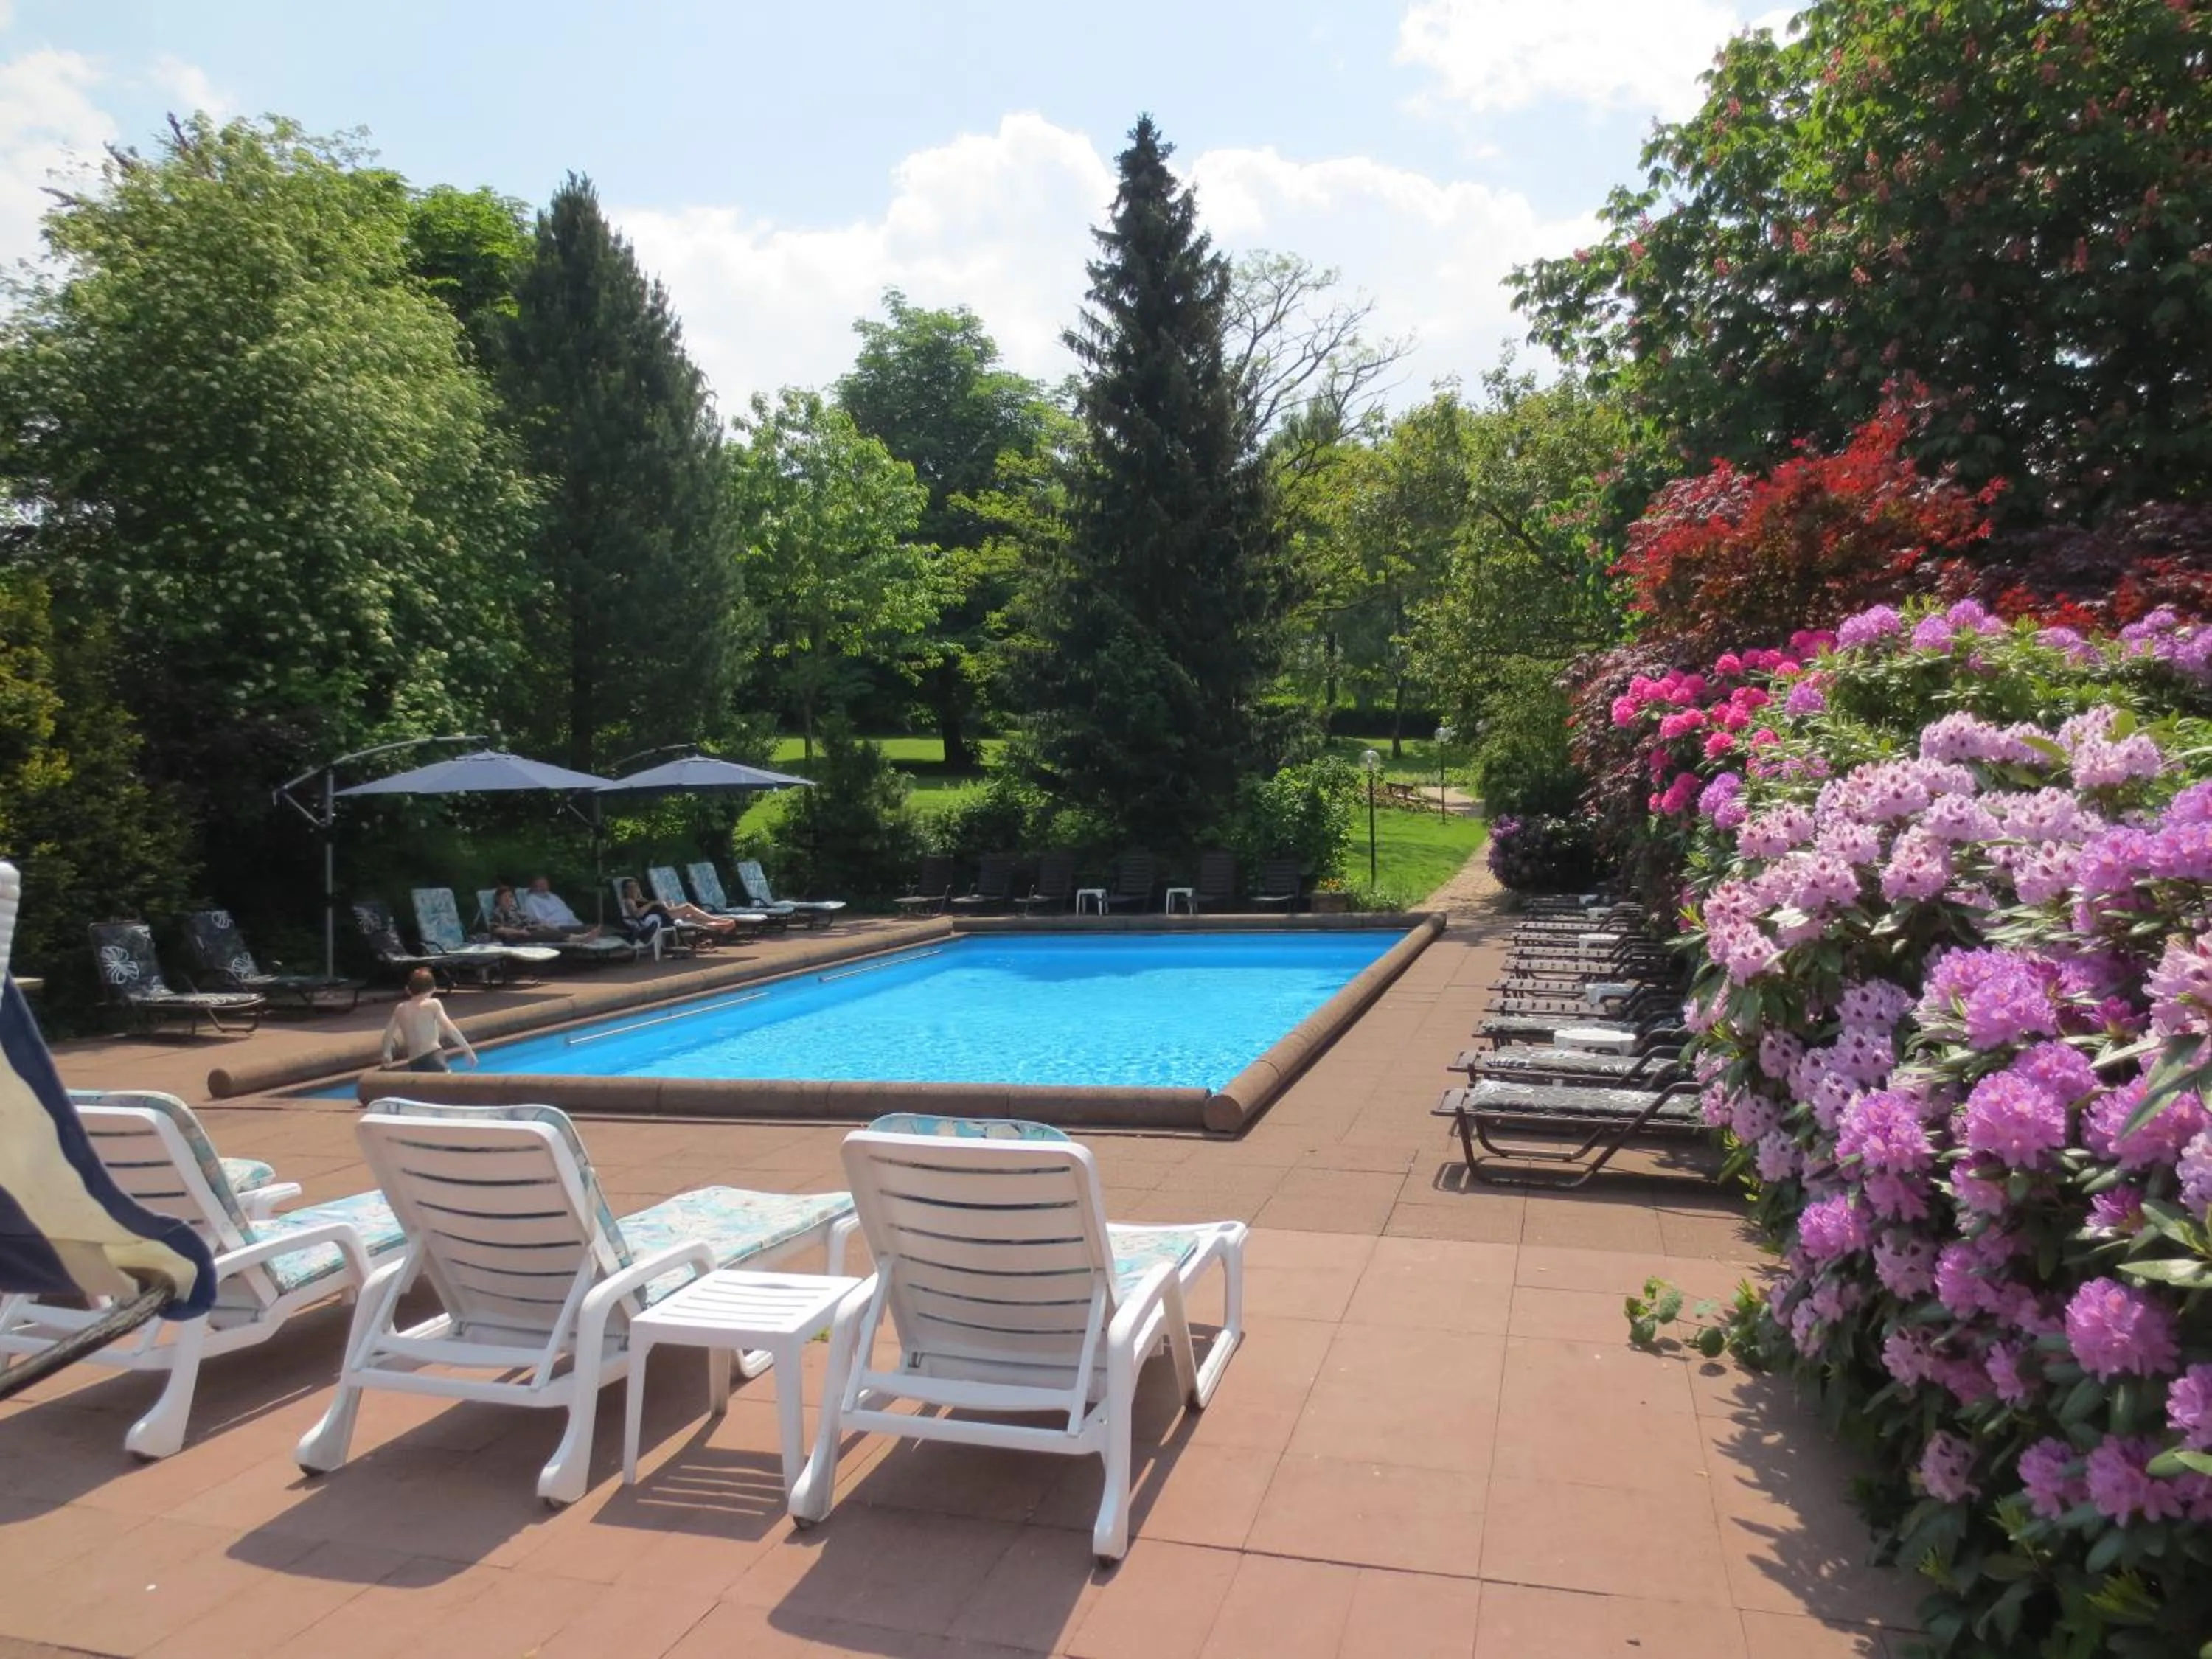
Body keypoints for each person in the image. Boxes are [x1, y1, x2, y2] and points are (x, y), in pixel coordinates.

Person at [378, 968, 477, 1074]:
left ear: (409, 990)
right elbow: (449, 1028)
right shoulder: (433, 1004)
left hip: (414, 1061)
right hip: (433, 1055)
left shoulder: (400, 1008)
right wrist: (468, 1050)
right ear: (433, 989)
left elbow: (388, 1033)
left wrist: (387, 1052)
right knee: (446, 1087)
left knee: (425, 1089)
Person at [617, 875, 740, 939]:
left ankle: (717, 927)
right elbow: (637, 915)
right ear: (626, 890)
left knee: (689, 917)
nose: (634, 889)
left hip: (662, 915)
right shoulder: (629, 901)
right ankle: (720, 921)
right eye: (631, 887)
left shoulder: (641, 899)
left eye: (636, 887)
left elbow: (656, 907)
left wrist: (664, 905)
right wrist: (652, 904)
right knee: (687, 907)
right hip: (654, 920)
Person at [518, 876, 599, 936]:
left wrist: (579, 923)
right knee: (591, 929)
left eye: (545, 884)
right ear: (535, 886)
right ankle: (585, 932)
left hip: (570, 924)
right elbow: (538, 919)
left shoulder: (553, 896)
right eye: (541, 884)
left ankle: (585, 930)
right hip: (557, 927)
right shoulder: (532, 900)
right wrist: (550, 928)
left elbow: (567, 912)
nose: (544, 886)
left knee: (591, 928)